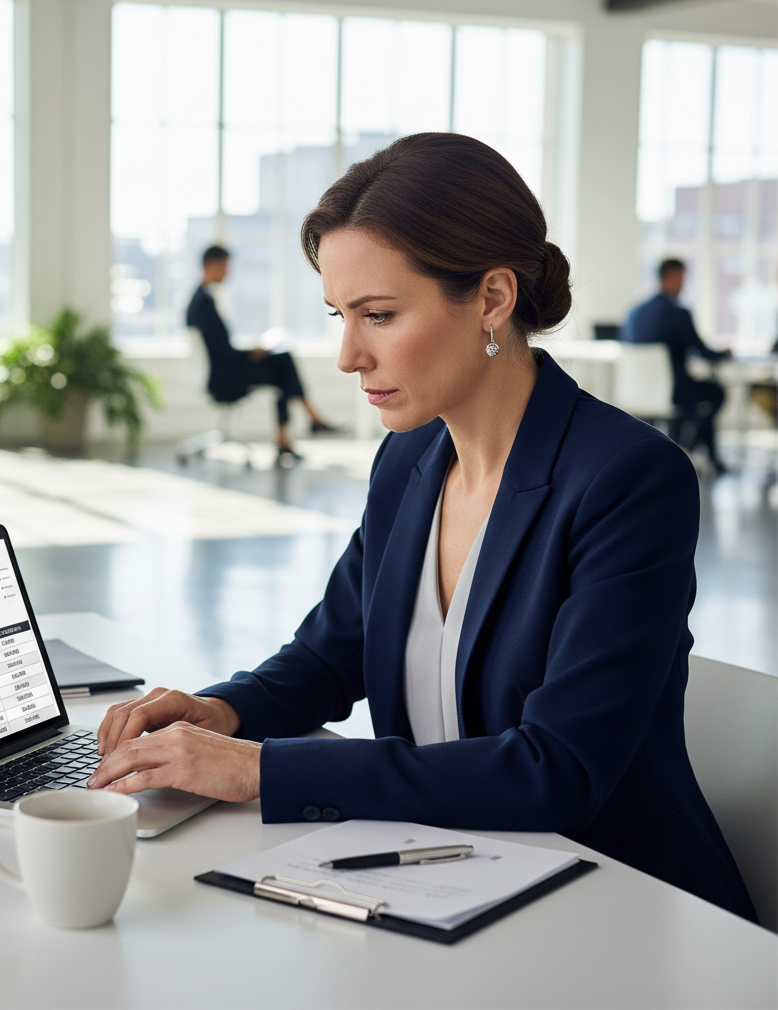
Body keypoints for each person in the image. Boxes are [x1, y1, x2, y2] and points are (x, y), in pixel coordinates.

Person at [90, 134, 756, 922]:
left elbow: (558, 769)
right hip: (449, 877)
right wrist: (222, 715)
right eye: (341, 316)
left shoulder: (629, 479)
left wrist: (261, 770)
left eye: (378, 315)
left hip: (618, 903)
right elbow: (329, 655)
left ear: (492, 299)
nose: (346, 356)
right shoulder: (409, 461)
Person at [186, 245, 338, 461]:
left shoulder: (200, 300)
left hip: (222, 371)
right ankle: (305, 424)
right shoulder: (203, 305)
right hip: (223, 378)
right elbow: (222, 353)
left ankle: (294, 433)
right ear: (212, 265)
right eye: (225, 267)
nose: (228, 273)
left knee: (281, 366)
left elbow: (219, 348)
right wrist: (253, 352)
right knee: (283, 363)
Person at [623, 258, 731, 474]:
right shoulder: (677, 313)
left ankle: (696, 452)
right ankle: (687, 446)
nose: (683, 284)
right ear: (672, 276)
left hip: (638, 391)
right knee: (715, 393)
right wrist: (724, 354)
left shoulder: (633, 313)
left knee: (698, 398)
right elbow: (701, 350)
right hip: (673, 391)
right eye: (682, 278)